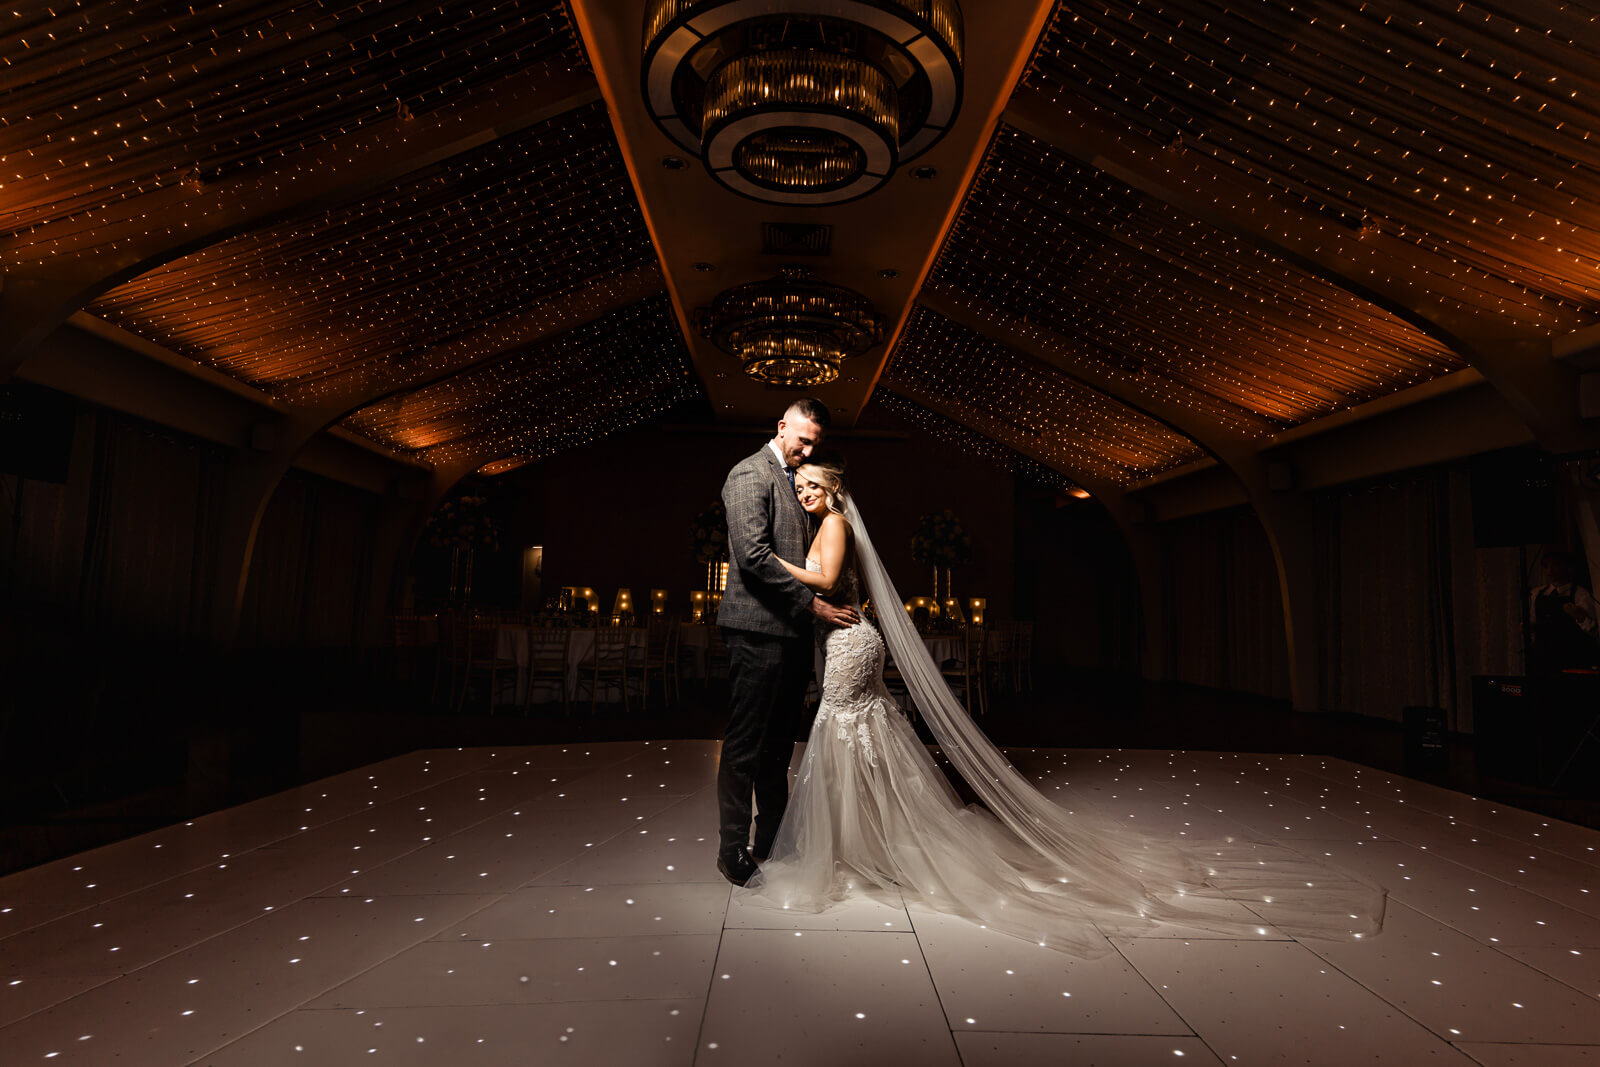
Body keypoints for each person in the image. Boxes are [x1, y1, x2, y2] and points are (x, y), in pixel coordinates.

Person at [738, 462, 1386, 956]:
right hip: (850, 640)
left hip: (849, 643)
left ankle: (860, 851)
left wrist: (769, 564)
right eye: (799, 488)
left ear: (833, 491)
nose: (804, 495)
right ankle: (869, 845)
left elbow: (824, 581)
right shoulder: (830, 523)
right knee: (860, 738)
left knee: (844, 731)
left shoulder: (834, 525)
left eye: (811, 487)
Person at [715, 398, 858, 887]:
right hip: (756, 631)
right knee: (744, 745)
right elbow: (753, 557)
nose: (807, 449)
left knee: (777, 748)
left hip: (792, 634)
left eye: (815, 443)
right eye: (802, 439)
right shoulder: (749, 474)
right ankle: (731, 848)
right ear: (782, 427)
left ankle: (771, 839)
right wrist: (813, 605)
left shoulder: (797, 480)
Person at [1528, 549, 1598, 675]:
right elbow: (1533, 621)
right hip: (1543, 658)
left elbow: (1593, 631)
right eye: (1546, 566)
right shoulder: (1536, 594)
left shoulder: (1581, 594)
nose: (1550, 570)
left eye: (1555, 565)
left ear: (1568, 567)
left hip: (1572, 657)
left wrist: (1580, 617)